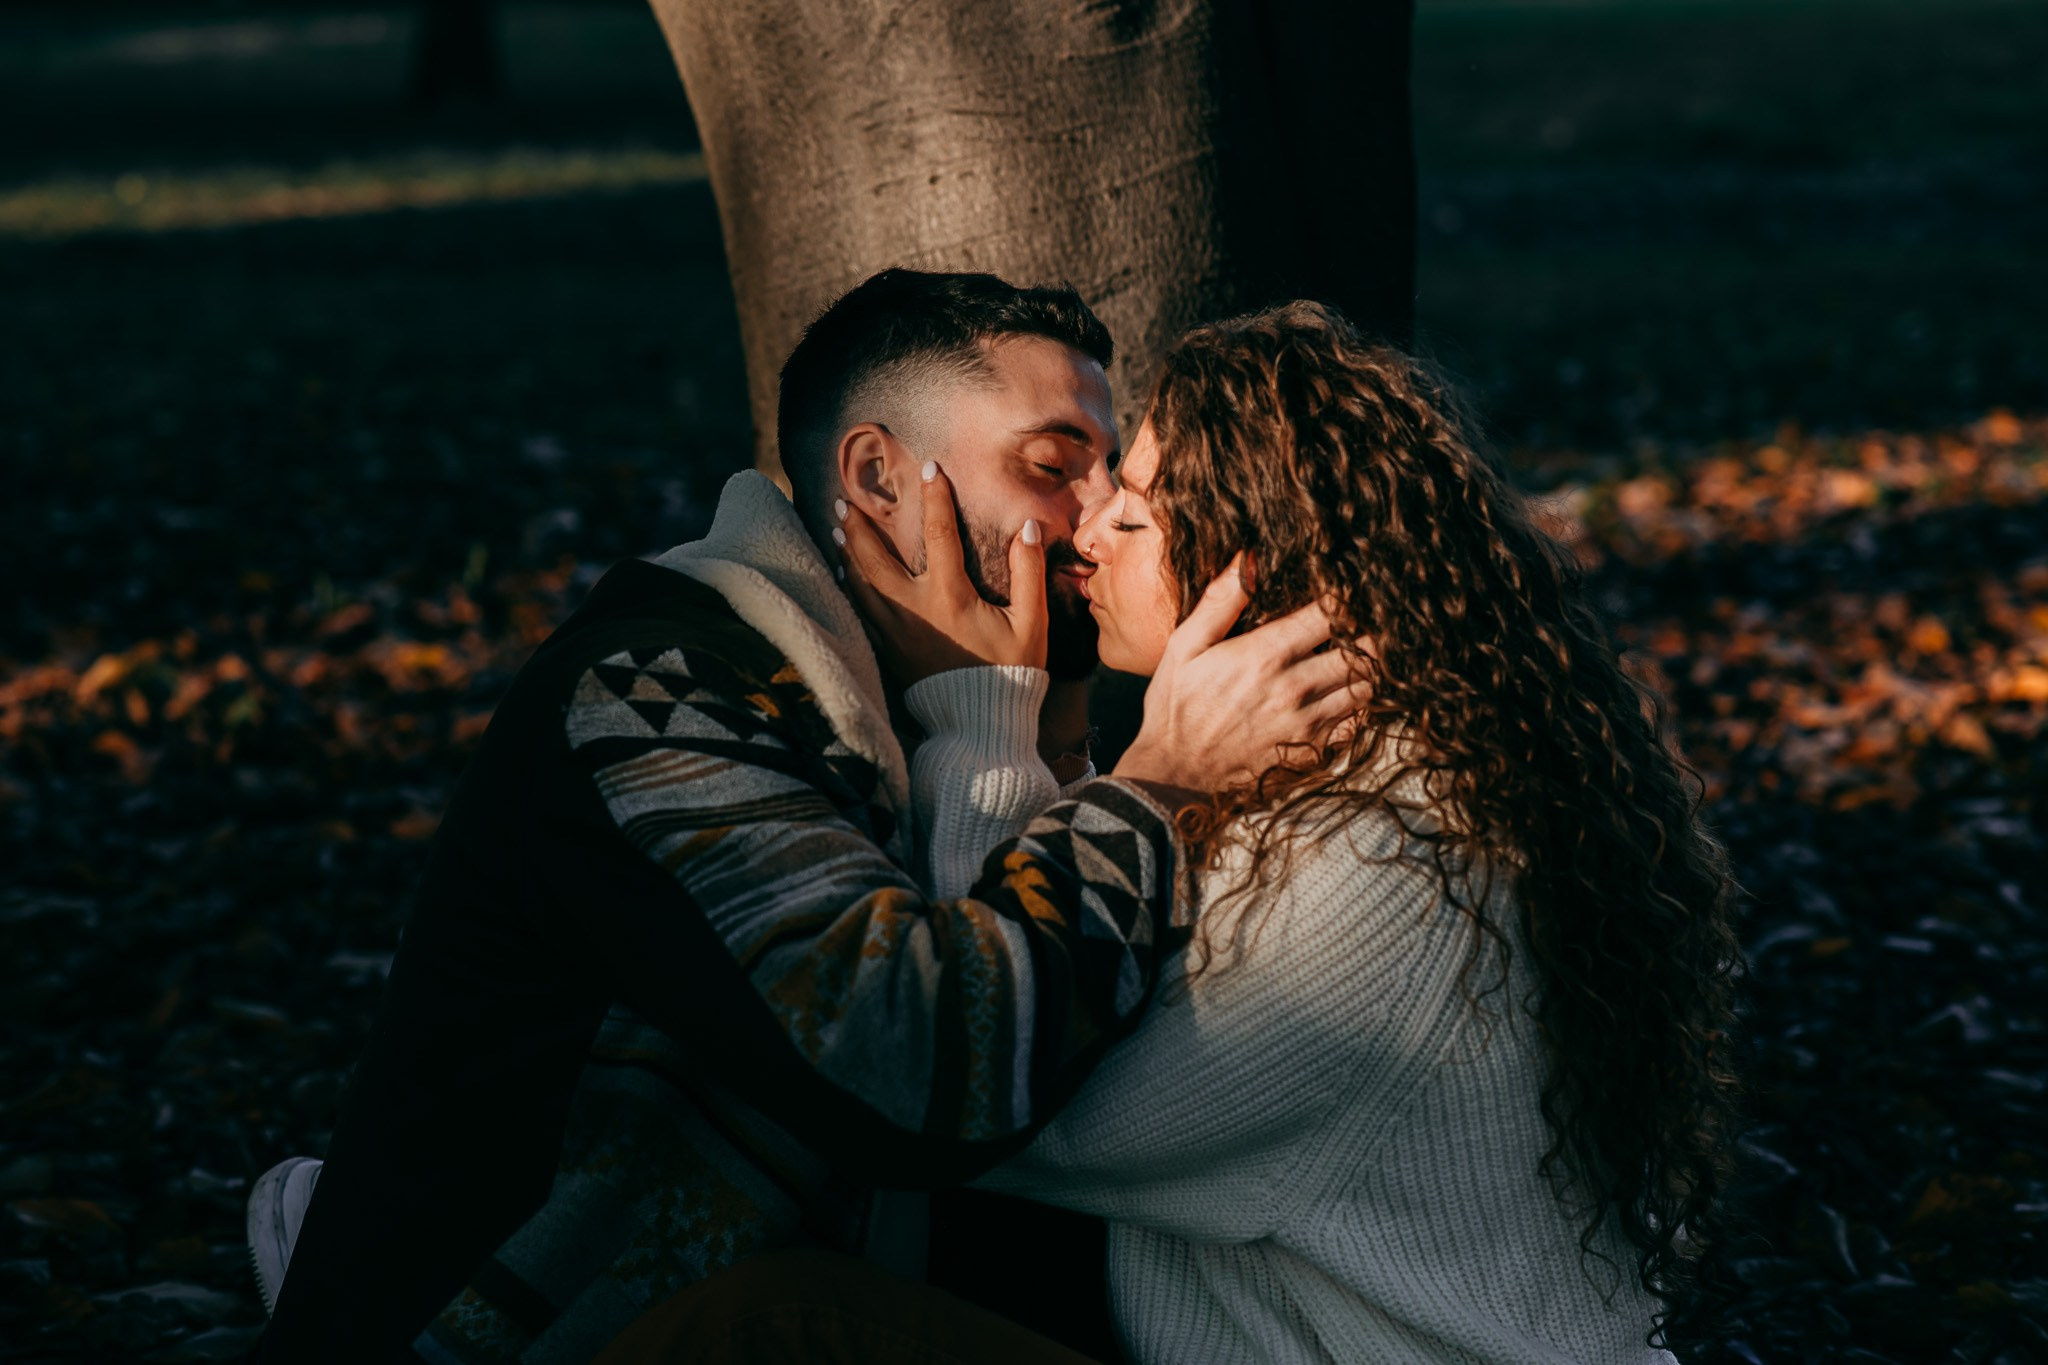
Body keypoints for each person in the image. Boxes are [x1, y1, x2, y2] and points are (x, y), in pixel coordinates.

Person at [244, 271, 1356, 1363]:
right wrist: (1150, 788)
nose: (1096, 519)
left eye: (1109, 475)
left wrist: (1038, 743)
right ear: (877, 475)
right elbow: (914, 1065)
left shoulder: (916, 711)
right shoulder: (651, 696)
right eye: (1051, 466)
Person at [728, 298, 1737, 1364]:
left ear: (1258, 562)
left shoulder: (1389, 854)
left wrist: (981, 723)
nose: (1089, 532)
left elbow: (1010, 1111)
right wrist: (1079, 747)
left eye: (1138, 511)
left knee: (769, 1325)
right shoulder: (1348, 775)